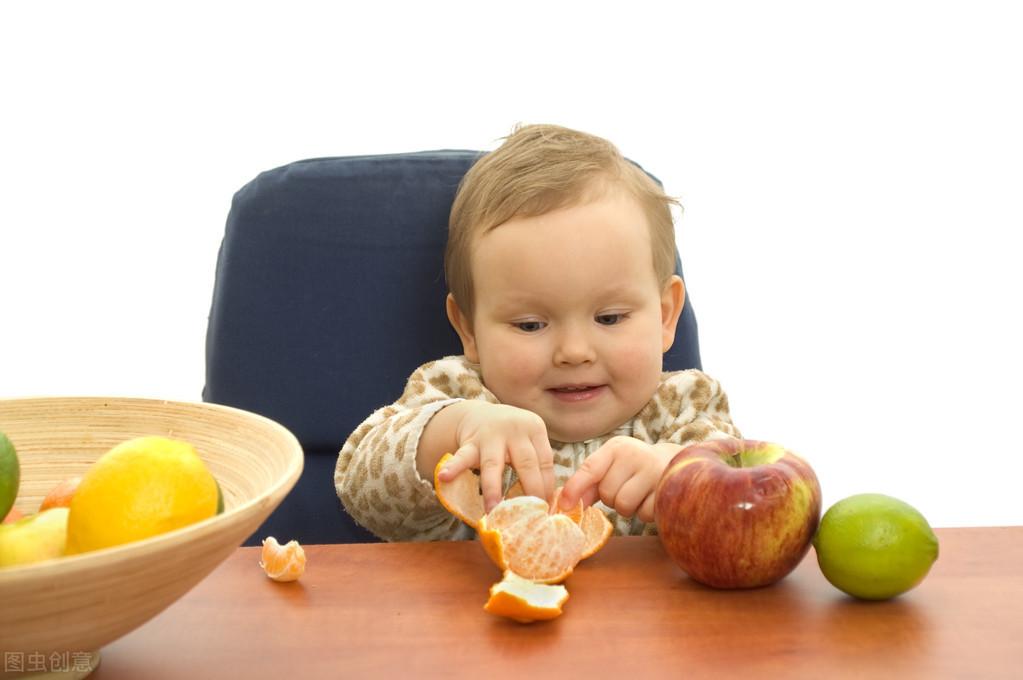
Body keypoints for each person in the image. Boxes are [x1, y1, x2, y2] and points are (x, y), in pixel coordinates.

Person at [334, 123, 741, 541]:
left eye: (610, 318)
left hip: (648, 609)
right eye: (531, 325)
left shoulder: (685, 407)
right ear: (468, 329)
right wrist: (453, 431)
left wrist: (679, 475)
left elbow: (744, 509)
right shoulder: (457, 394)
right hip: (482, 606)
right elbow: (361, 489)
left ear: (665, 315)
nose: (574, 352)